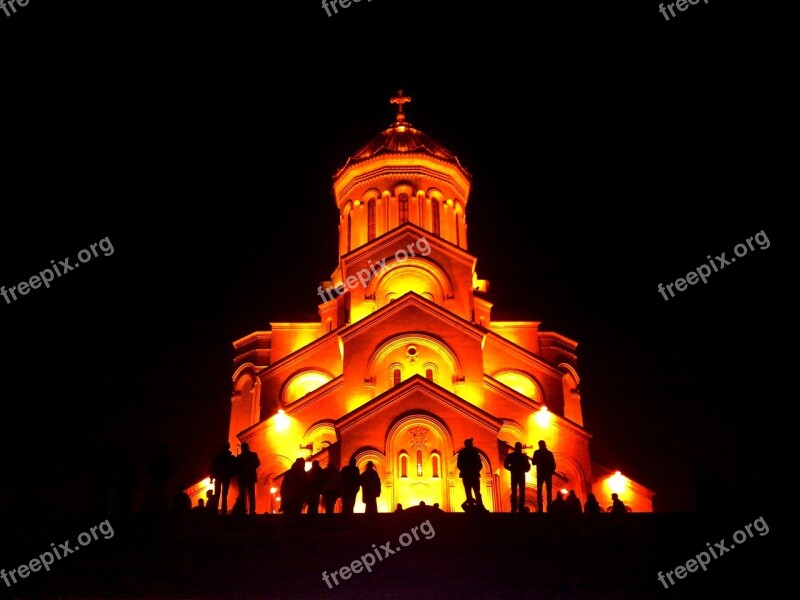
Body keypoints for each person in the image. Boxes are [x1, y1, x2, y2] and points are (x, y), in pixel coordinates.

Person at [457, 438, 486, 511]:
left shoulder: (470, 452)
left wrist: (473, 470)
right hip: (471, 475)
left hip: (471, 475)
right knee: (471, 492)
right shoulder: (470, 452)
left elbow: (479, 464)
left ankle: (479, 506)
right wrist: (472, 470)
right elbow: (459, 464)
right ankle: (475, 506)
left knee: (473, 492)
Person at [503, 442, 530, 513]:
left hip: (514, 474)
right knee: (522, 492)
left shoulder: (511, 455)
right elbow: (528, 467)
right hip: (521, 475)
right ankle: (521, 508)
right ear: (520, 448)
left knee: (514, 492)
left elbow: (505, 464)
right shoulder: (523, 456)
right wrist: (524, 470)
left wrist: (510, 468)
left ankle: (514, 508)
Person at [210, 442, 237, 515]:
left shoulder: (218, 456)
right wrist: (231, 474)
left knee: (217, 495)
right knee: (224, 495)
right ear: (228, 447)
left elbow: (213, 467)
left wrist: (211, 478)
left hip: (219, 477)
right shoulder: (230, 457)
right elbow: (234, 467)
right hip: (226, 477)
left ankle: (215, 511)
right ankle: (224, 511)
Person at [235, 442, 261, 515]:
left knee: (242, 494)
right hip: (251, 477)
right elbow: (258, 463)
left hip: (242, 478)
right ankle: (252, 510)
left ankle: (243, 509)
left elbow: (236, 467)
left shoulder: (239, 457)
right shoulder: (253, 455)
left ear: (242, 448)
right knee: (251, 494)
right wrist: (251, 468)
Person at [531, 440, 556, 513]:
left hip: (540, 474)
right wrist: (550, 472)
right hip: (547, 474)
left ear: (539, 445)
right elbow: (553, 465)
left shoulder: (537, 452)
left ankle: (540, 509)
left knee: (539, 491)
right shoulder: (549, 453)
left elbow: (533, 462)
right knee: (549, 492)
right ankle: (549, 508)